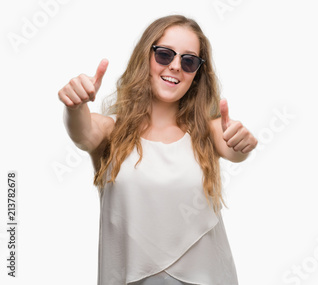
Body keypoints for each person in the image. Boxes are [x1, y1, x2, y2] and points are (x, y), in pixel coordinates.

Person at [58, 15, 257, 285]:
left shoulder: (207, 131)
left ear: (197, 73)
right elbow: (82, 132)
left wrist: (242, 143)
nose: (176, 66)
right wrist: (75, 105)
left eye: (189, 61)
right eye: (164, 55)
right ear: (146, 57)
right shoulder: (111, 132)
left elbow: (234, 150)